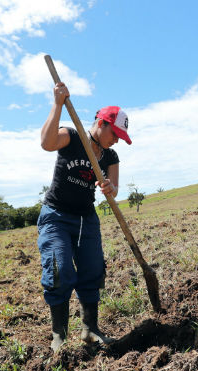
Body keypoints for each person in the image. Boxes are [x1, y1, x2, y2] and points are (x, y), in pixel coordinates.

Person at [37, 81, 132, 352]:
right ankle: (59, 336)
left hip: (86, 219)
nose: (116, 141)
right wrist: (57, 104)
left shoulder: (110, 156)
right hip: (56, 215)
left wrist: (109, 188)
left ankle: (90, 330)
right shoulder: (72, 135)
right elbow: (46, 143)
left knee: (92, 271)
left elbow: (113, 190)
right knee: (59, 270)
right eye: (114, 134)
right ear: (102, 124)